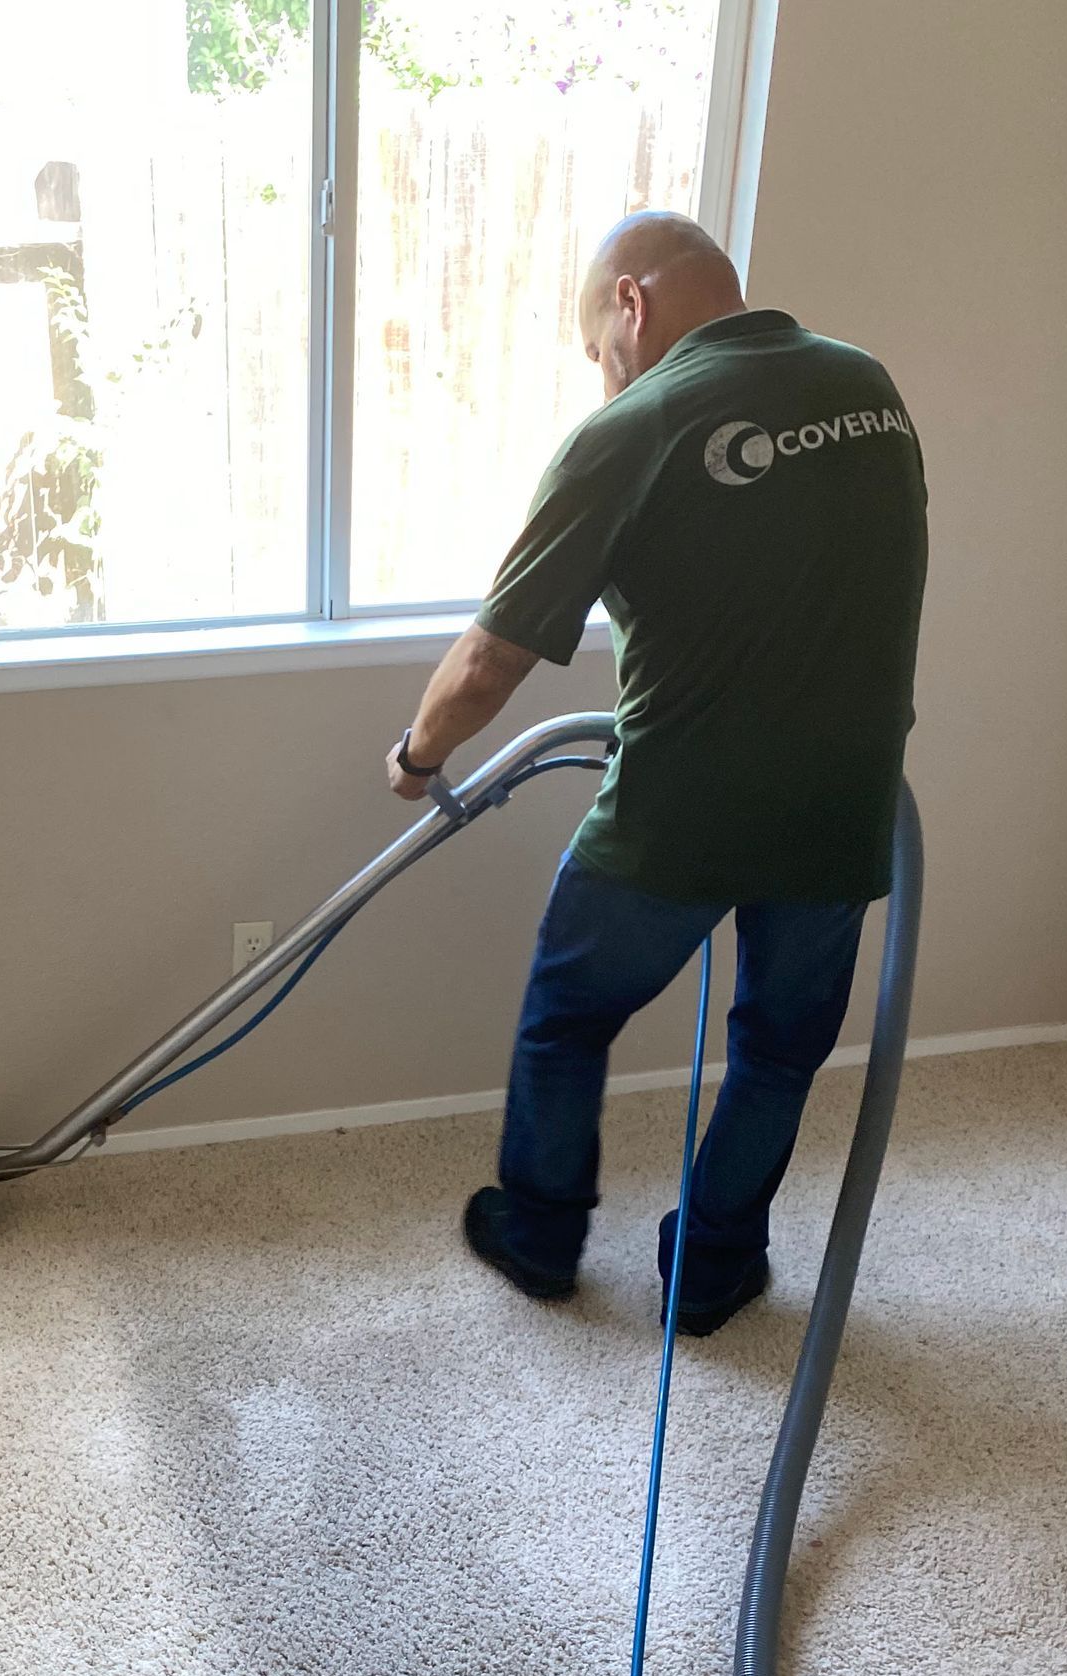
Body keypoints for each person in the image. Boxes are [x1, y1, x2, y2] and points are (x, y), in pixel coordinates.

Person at [387, 212, 928, 1333]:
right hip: (846, 811)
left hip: (677, 814)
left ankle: (539, 1234)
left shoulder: (635, 426)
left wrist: (418, 755)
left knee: (567, 1016)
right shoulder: (870, 386)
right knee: (778, 1051)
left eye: (599, 351)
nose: (605, 375)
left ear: (629, 306)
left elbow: (491, 657)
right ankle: (716, 1268)